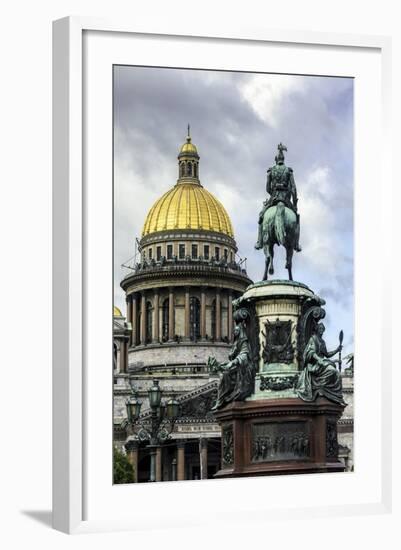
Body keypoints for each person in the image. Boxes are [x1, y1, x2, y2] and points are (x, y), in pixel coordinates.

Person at [255, 143, 301, 251]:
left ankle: (259, 241)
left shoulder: (271, 171)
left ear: (276, 160)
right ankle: (296, 244)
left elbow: (267, 188)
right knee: (297, 219)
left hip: (274, 199)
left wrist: (273, 191)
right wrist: (294, 203)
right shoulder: (289, 171)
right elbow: (294, 189)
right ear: (283, 159)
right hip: (285, 199)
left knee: (261, 217)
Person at [295, 323, 346, 406]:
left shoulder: (322, 341)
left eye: (323, 328)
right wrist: (319, 359)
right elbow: (311, 352)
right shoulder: (313, 339)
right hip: (314, 365)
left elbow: (327, 354)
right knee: (332, 371)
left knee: (336, 373)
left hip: (322, 363)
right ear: (317, 329)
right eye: (320, 328)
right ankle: (320, 387)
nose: (321, 330)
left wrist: (337, 350)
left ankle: (329, 392)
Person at [209, 320, 255, 410]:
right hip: (237, 367)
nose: (234, 332)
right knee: (224, 375)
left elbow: (244, 354)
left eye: (236, 330)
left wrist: (233, 362)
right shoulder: (236, 343)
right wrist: (221, 365)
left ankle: (221, 400)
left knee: (225, 375)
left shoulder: (243, 342)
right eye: (234, 331)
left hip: (242, 367)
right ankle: (221, 400)